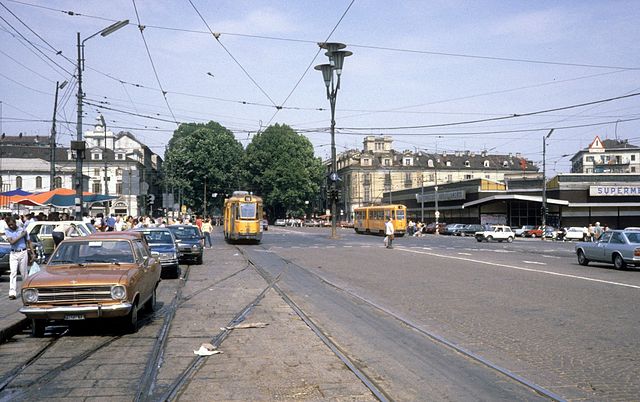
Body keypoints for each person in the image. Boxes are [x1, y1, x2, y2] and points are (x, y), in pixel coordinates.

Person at [4, 217, 32, 300]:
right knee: (13, 272)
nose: (11, 226)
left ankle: (26, 290)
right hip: (13, 253)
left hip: (23, 252)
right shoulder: (8, 231)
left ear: (15, 223)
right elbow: (11, 242)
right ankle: (12, 292)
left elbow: (28, 241)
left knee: (24, 273)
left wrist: (33, 253)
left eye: (12, 224)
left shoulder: (22, 229)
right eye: (9, 225)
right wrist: (21, 236)